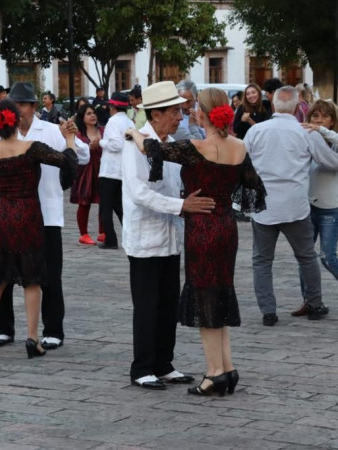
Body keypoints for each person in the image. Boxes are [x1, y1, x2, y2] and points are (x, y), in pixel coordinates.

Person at [127, 86, 267, 396]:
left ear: (201, 113)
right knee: (222, 294)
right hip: (226, 227)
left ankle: (214, 373)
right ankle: (228, 368)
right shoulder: (240, 146)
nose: (188, 112)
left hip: (202, 229)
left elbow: (152, 149)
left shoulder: (195, 147)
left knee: (205, 298)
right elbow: (254, 192)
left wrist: (132, 133)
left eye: (193, 109)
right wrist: (223, 196)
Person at [119, 81, 214, 390]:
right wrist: (181, 205)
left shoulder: (171, 143)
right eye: (174, 111)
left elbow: (175, 187)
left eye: (181, 111)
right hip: (145, 237)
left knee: (168, 303)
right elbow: (139, 193)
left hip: (171, 236)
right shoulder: (136, 144)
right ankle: (142, 366)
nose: (179, 117)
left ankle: (164, 362)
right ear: (155, 114)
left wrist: (186, 198)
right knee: (146, 304)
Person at [0, 100, 78, 358]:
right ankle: (32, 337)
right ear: (17, 122)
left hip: (0, 216)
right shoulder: (31, 148)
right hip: (27, 215)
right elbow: (66, 161)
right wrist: (70, 141)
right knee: (31, 280)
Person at [0, 82, 90, 351]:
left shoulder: (51, 131)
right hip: (10, 213)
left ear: (34, 107)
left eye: (23, 105)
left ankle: (53, 329)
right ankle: (3, 328)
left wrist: (72, 137)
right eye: (14, 105)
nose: (19, 110)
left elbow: (83, 156)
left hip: (46, 212)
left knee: (50, 274)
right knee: (4, 273)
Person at [244, 86, 338, 326]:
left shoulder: (256, 131)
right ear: (296, 107)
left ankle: (268, 312)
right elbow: (330, 160)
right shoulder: (305, 132)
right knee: (306, 257)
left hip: (264, 206)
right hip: (295, 205)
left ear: (273, 105)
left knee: (262, 261)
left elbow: (244, 165)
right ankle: (314, 305)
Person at [290, 100, 338, 317]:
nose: (317, 121)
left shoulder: (336, 143)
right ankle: (310, 300)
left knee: (327, 257)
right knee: (305, 256)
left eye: (323, 117)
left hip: (330, 207)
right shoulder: (305, 141)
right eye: (314, 116)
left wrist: (320, 130)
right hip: (308, 206)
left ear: (332, 121)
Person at [96, 91, 134, 249]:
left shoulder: (113, 122)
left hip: (110, 170)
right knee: (119, 206)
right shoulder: (129, 122)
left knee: (105, 207)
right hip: (122, 169)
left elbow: (116, 144)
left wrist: (102, 142)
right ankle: (131, 235)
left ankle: (111, 240)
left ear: (112, 107)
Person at [72, 103, 104, 245]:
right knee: (84, 203)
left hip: (102, 168)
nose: (93, 116)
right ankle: (83, 234)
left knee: (104, 201)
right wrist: (89, 147)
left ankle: (103, 231)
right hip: (85, 170)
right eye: (89, 113)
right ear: (82, 117)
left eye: (93, 113)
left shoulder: (103, 130)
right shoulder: (79, 134)